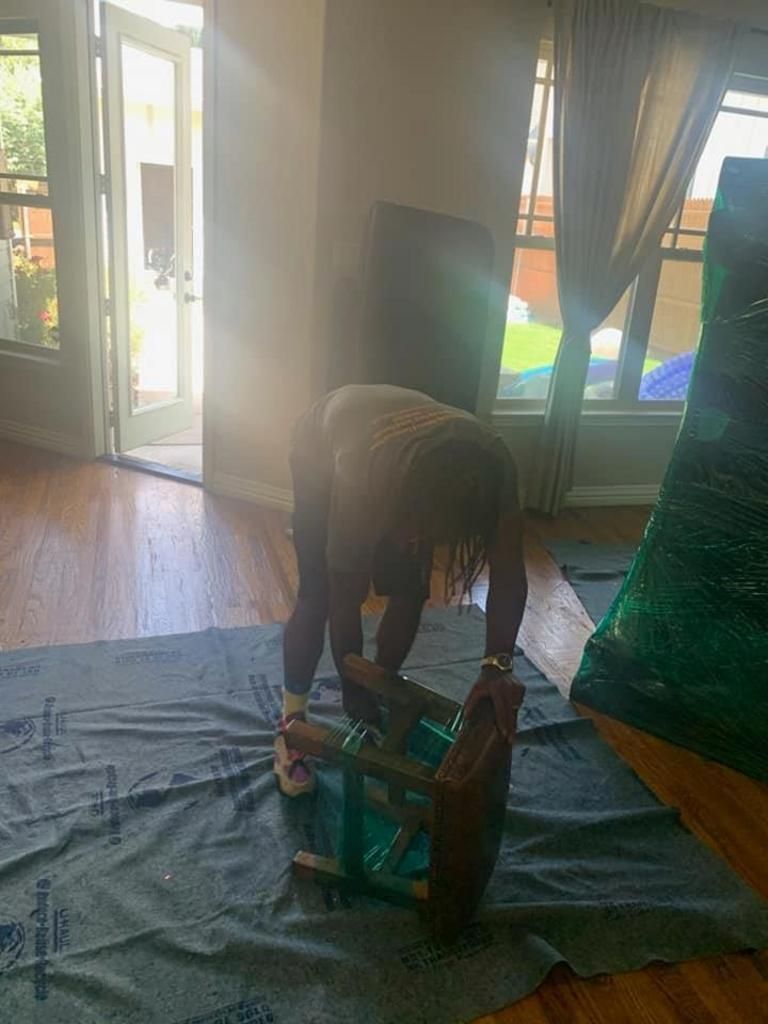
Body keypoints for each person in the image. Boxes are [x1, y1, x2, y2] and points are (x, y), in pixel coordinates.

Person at [274, 384, 528, 796]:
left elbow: (510, 574)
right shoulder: (360, 481)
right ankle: (291, 724)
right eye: (416, 531)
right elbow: (345, 602)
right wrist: (353, 692)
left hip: (406, 463)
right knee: (317, 594)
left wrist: (497, 666)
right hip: (322, 448)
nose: (419, 540)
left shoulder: (493, 468)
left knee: (411, 587)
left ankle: (382, 689)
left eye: (432, 535)